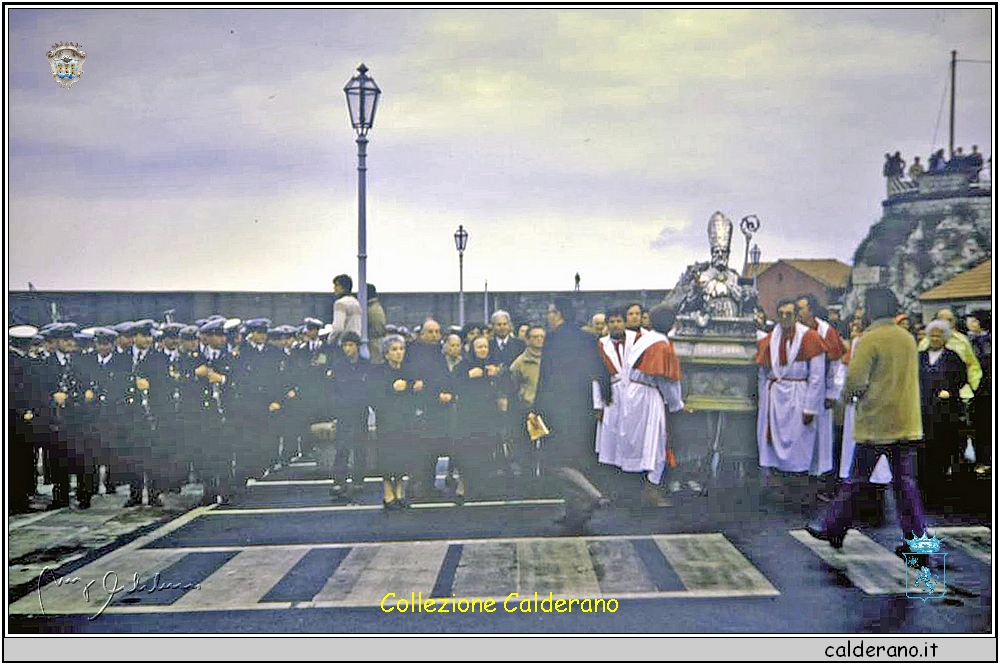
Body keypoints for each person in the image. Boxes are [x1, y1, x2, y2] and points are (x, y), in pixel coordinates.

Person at [807, 287, 926, 552]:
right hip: (906, 422)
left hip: (876, 422)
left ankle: (834, 528)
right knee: (906, 487)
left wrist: (847, 399)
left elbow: (855, 380)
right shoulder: (907, 338)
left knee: (856, 481)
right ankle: (917, 545)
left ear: (872, 310)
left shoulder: (869, 339)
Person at [534, 297, 608, 531]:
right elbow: (600, 370)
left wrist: (537, 408)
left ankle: (592, 496)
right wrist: (605, 398)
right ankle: (575, 511)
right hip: (583, 406)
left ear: (559, 314)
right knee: (577, 459)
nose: (548, 316)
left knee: (555, 461)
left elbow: (545, 376)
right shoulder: (588, 338)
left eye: (550, 312)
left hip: (558, 407)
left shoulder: (553, 339)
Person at [756, 299, 828, 489]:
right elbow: (763, 372)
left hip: (799, 395)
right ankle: (778, 488)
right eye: (781, 314)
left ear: (797, 316)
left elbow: (817, 375)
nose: (785, 318)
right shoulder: (770, 339)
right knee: (774, 447)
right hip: (776, 397)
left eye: (789, 314)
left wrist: (810, 406)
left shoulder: (810, 338)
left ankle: (800, 489)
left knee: (800, 442)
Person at [453, 336, 512, 499]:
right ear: (472, 348)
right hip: (468, 415)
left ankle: (481, 486)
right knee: (467, 450)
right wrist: (468, 376)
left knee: (486, 449)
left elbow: (506, 381)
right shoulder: (463, 366)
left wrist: (498, 374)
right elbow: (453, 385)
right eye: (479, 347)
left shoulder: (492, 365)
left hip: (489, 414)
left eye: (485, 347)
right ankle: (463, 485)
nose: (483, 350)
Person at [917, 319, 968, 508]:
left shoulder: (953, 357)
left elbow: (962, 379)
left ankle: (940, 492)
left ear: (945, 338)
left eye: (939, 335)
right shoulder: (920, 356)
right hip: (924, 410)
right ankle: (923, 492)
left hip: (945, 412)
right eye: (933, 335)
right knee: (923, 451)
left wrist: (950, 390)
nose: (935, 338)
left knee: (942, 450)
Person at [917, 307, 981, 401]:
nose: (947, 322)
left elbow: (972, 365)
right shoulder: (925, 342)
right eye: (943, 319)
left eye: (950, 319)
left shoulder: (962, 340)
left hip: (957, 392)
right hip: (928, 394)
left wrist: (975, 387)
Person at [965, 310, 991, 474]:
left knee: (986, 425)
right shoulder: (967, 340)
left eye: (973, 320)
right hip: (972, 389)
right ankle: (979, 459)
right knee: (976, 426)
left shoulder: (987, 340)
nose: (969, 324)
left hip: (986, 387)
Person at [330, 274, 363, 347]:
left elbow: (338, 328)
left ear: (343, 287)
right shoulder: (356, 302)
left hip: (344, 343)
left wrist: (330, 340)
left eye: (336, 285)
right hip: (355, 343)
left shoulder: (340, 303)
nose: (334, 288)